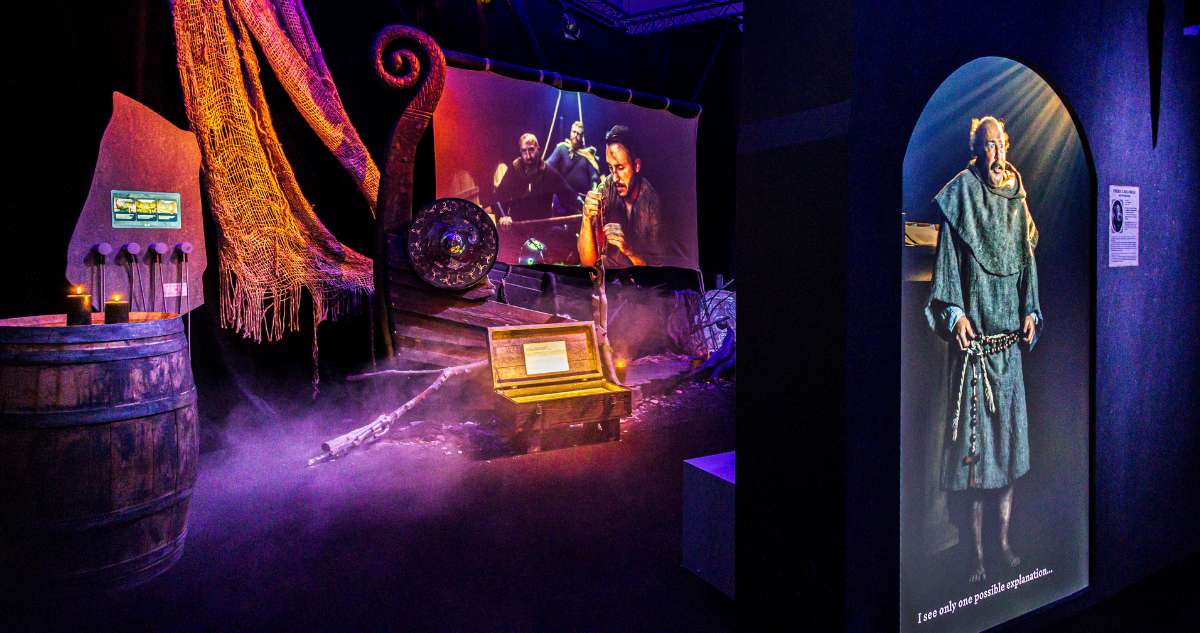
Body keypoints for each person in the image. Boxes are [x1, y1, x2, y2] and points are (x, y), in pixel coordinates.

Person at [924, 116, 1042, 584]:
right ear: (976, 150)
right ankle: (974, 556)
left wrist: (1030, 311)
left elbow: (1028, 264)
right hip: (975, 356)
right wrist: (955, 314)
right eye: (988, 146)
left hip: (1007, 353)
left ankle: (1005, 544)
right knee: (975, 469)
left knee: (1008, 460)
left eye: (1001, 145)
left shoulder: (1017, 197)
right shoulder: (961, 195)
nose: (997, 154)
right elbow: (947, 269)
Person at [578, 125, 662, 268]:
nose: (615, 177)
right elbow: (588, 265)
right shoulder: (606, 189)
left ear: (636, 165)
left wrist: (629, 251)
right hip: (608, 276)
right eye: (610, 168)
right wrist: (586, 219)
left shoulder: (652, 203)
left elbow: (656, 274)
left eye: (620, 168)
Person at [491, 132, 578, 262]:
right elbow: (498, 197)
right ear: (520, 152)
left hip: (543, 231)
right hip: (517, 230)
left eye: (531, 150)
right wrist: (502, 216)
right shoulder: (513, 171)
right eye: (524, 151)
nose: (528, 156)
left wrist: (577, 217)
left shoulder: (549, 173)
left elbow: (569, 198)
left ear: (538, 149)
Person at [546, 121, 600, 196]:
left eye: (578, 133)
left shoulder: (587, 154)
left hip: (581, 197)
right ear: (570, 132)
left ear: (582, 136)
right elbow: (548, 165)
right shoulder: (562, 148)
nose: (575, 135)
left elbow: (594, 177)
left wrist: (594, 192)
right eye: (574, 132)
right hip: (562, 195)